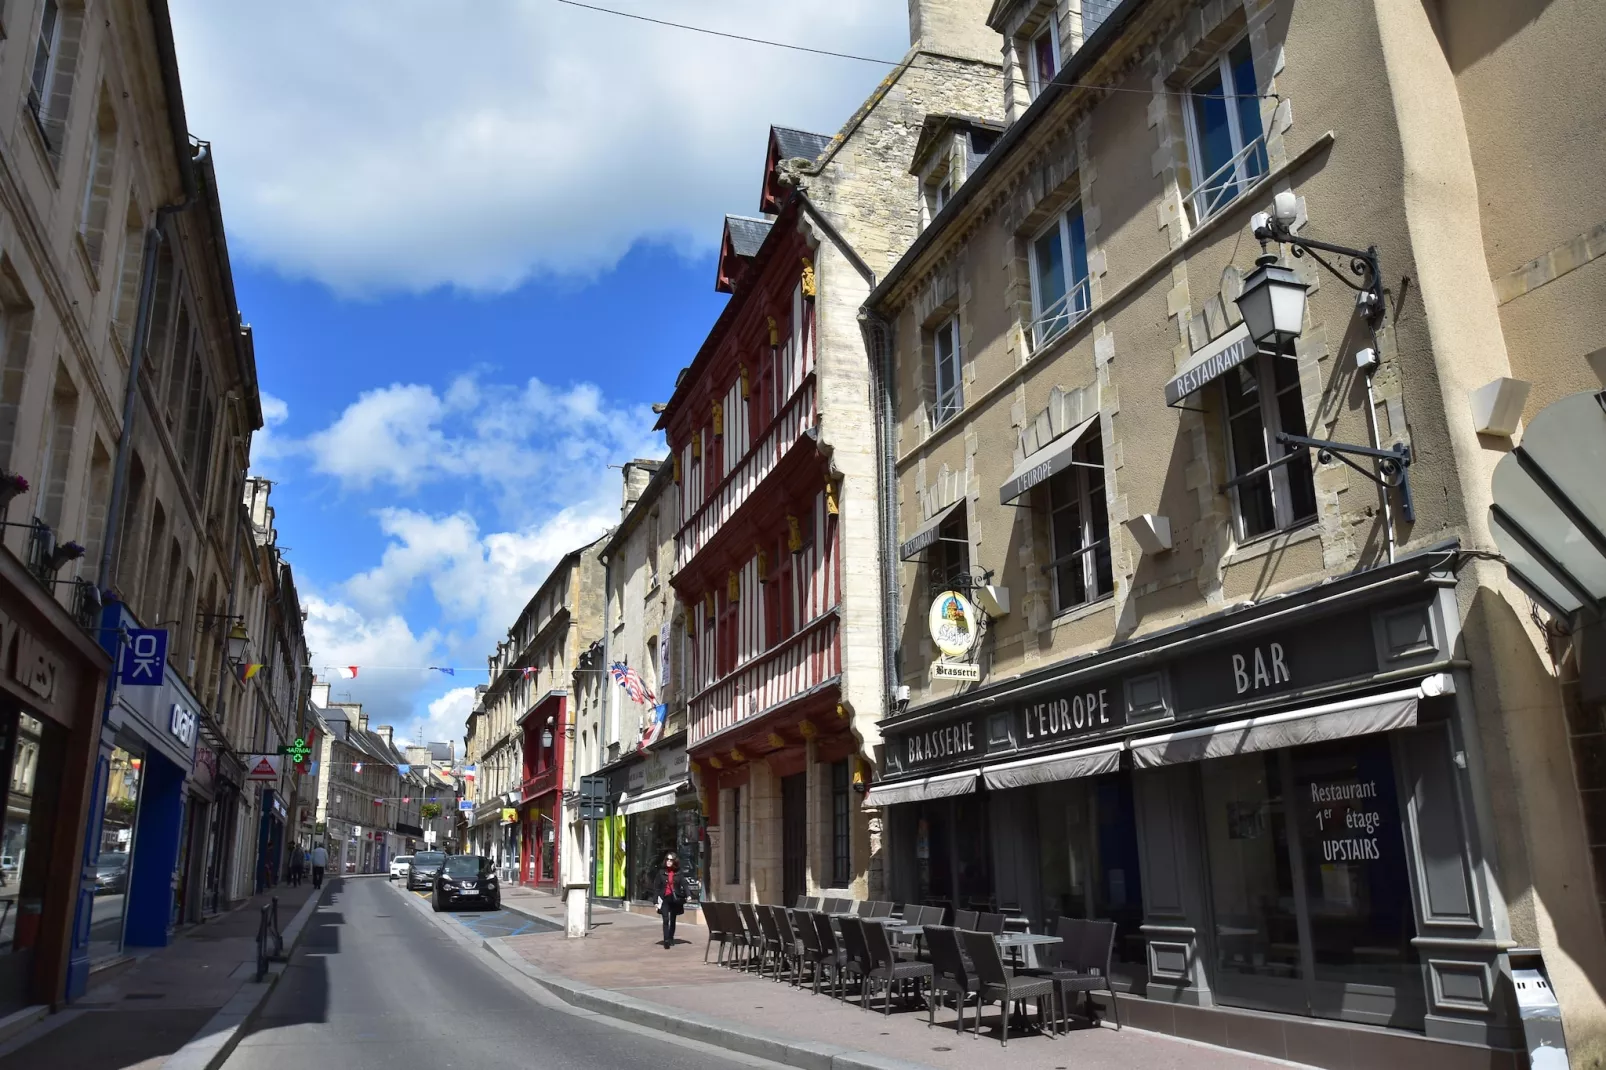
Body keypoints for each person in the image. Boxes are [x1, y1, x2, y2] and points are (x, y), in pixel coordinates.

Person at [650, 852, 691, 949]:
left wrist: (688, 895)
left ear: (674, 861)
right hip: (664, 898)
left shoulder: (678, 872)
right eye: (667, 860)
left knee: (673, 919)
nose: (668, 861)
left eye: (671, 860)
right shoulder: (661, 872)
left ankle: (671, 937)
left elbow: (684, 884)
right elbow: (656, 888)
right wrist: (655, 902)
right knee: (666, 919)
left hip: (675, 898)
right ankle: (666, 940)